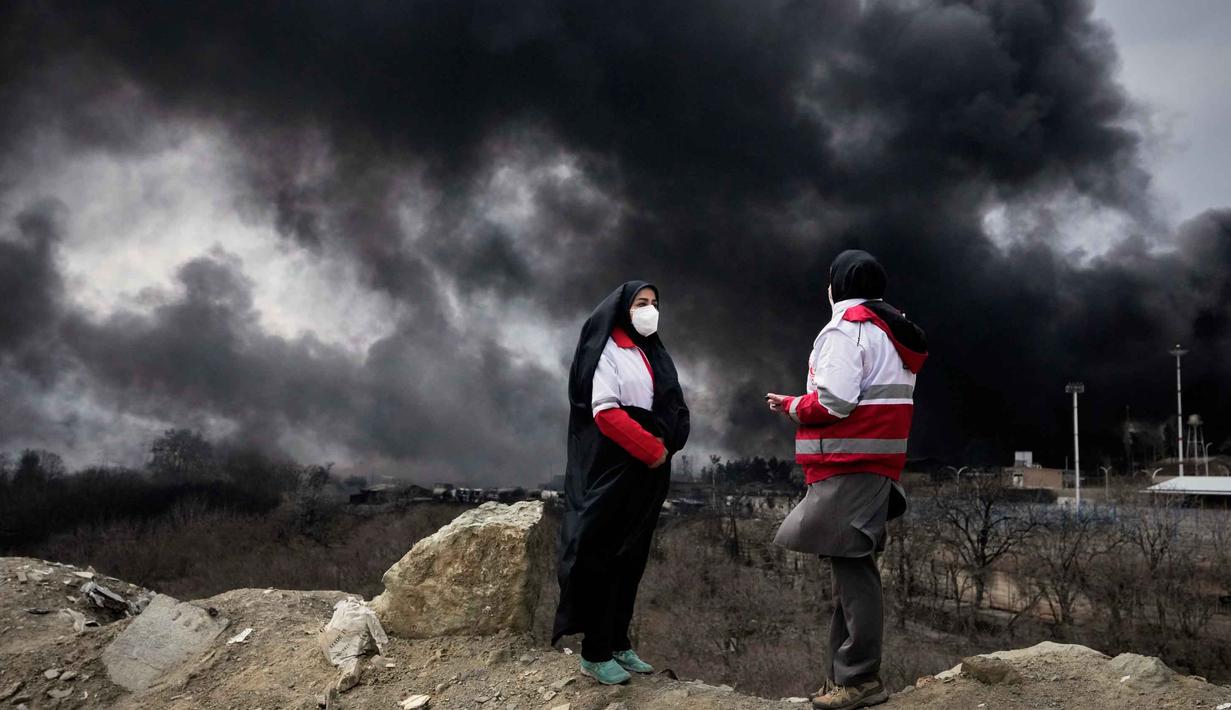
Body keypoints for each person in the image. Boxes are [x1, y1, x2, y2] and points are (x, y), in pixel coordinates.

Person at [765, 250, 927, 710]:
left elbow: (834, 401)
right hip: (872, 464)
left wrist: (794, 406)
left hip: (849, 464)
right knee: (847, 572)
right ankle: (842, 678)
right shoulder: (890, 329)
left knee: (855, 574)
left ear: (836, 286)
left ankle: (860, 681)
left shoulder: (846, 329)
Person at [552, 280, 690, 685]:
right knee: (603, 557)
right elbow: (605, 412)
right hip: (617, 469)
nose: (650, 310)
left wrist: (669, 441)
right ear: (621, 309)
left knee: (633, 557)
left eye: (654, 303)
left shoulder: (651, 352)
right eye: (640, 303)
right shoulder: (606, 353)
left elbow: (671, 404)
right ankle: (595, 651)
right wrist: (651, 448)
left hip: (649, 473)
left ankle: (618, 641)